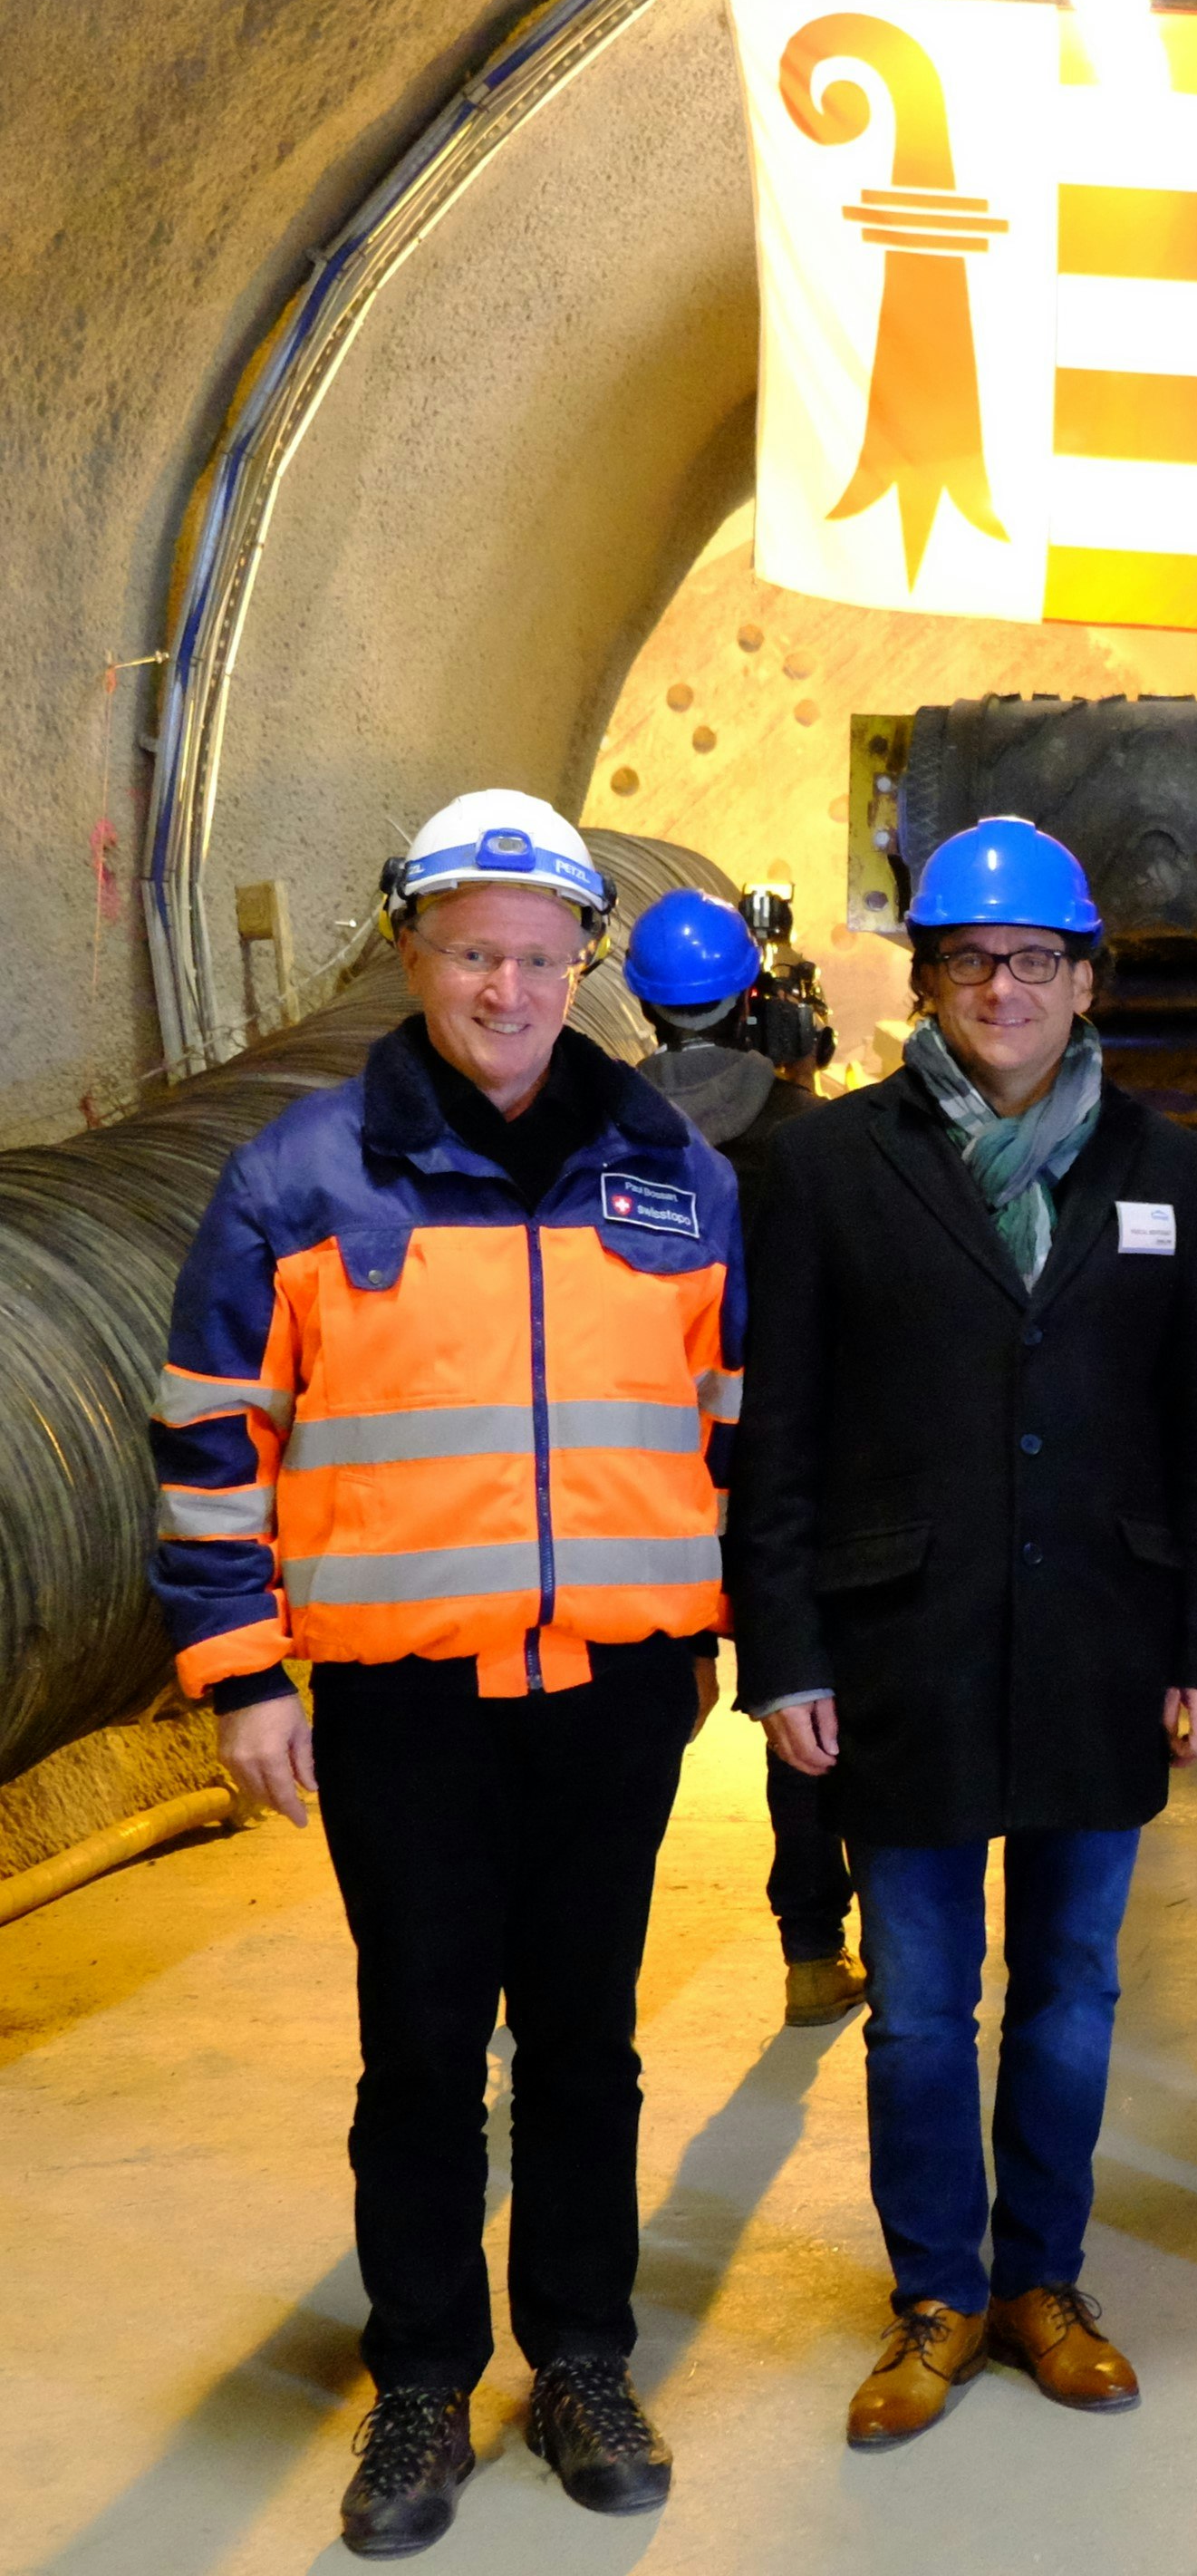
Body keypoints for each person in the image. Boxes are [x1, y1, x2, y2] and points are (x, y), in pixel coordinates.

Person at [151, 791, 738, 2556]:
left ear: (586, 968)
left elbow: (733, 1423)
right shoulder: (304, 1174)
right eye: (473, 950)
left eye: (541, 954)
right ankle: (419, 2379)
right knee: (419, 2048)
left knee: (586, 2045)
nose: (507, 984)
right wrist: (242, 1671)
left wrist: (712, 1634)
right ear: (414, 955)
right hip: (402, 1703)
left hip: (617, 1693)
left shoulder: (671, 1169)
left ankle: (577, 2359)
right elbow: (212, 1434)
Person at [729, 817, 1197, 2452]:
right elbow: (779, 1434)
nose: (1004, 988)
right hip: (908, 1643)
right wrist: (789, 1651)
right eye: (971, 961)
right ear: (930, 983)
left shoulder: (1163, 1173)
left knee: (1075, 1988)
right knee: (918, 2000)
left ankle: (1046, 2281)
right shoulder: (823, 1167)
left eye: (1036, 961)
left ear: (1086, 980)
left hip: (1102, 1633)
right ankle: (940, 2296)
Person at [621, 886, 859, 2031]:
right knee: (801, 1701)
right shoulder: (811, 1139)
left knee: (622, 1732)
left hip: (638, 1484)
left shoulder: (601, 1135)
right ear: (756, 1002)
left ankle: (562, 1961)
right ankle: (813, 1951)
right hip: (785, 1472)